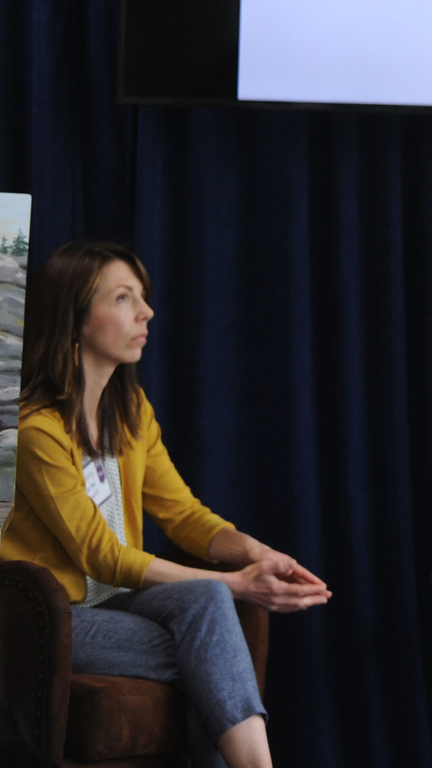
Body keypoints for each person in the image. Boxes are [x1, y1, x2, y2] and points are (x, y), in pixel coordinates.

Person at [0, 241, 331, 768]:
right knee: (212, 649)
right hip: (51, 613)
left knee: (207, 607)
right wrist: (238, 583)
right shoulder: (36, 428)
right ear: (77, 317)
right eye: (125, 298)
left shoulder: (129, 411)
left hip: (117, 602)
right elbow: (100, 557)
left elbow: (182, 513)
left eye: (143, 297)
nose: (147, 311)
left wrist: (256, 554)